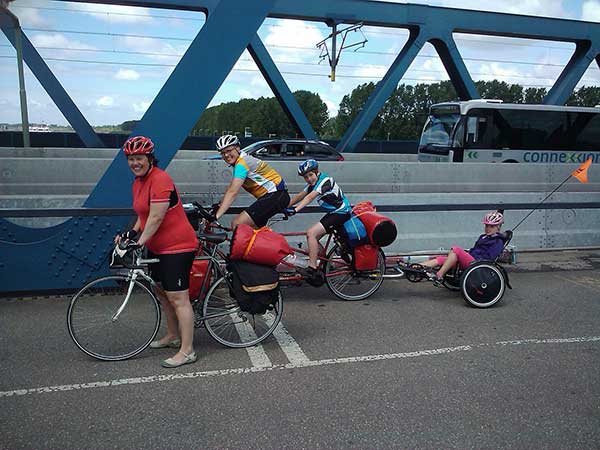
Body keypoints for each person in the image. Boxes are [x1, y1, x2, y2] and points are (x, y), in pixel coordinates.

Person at [115, 135, 199, 368]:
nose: (135, 163)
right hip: (158, 247)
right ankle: (172, 335)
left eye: (139, 158)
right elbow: (142, 217)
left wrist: (140, 242)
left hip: (178, 246)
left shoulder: (161, 179)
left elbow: (156, 216)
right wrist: (130, 235)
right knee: (162, 293)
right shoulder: (137, 182)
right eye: (131, 159)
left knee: (178, 297)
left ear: (150, 158)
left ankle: (188, 350)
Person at [285, 159, 352, 285]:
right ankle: (326, 263)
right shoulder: (313, 185)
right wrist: (284, 206)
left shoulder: (325, 180)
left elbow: (310, 197)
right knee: (312, 237)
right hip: (334, 213)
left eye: (311, 175)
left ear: (317, 172)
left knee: (311, 233)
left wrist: (295, 210)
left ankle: (312, 268)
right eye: (306, 177)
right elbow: (300, 195)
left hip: (342, 213)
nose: (309, 179)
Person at [211, 135, 290, 229]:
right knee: (254, 233)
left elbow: (233, 192)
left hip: (275, 195)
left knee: (237, 224)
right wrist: (219, 205)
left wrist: (216, 216)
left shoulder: (242, 164)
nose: (226, 155)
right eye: (223, 153)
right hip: (276, 196)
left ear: (237, 148)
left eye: (229, 150)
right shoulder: (241, 161)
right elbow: (231, 188)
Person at [421, 210, 508, 284]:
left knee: (456, 250)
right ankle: (412, 268)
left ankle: (439, 276)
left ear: (498, 227)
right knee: (441, 259)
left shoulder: (498, 242)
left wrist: (470, 255)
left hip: (477, 264)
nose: (488, 228)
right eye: (486, 226)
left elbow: (489, 259)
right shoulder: (483, 237)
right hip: (472, 259)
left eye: (492, 226)